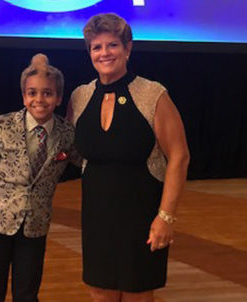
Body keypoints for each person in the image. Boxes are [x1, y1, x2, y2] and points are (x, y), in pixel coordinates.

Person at [67, 13, 190, 302]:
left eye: (112, 45)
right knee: (100, 291)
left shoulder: (152, 94)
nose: (104, 53)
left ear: (128, 49)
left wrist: (166, 217)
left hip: (142, 216)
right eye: (96, 47)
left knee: (137, 293)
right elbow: (69, 150)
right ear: (89, 53)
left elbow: (180, 157)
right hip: (97, 215)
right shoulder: (79, 97)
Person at [0, 53, 80, 302]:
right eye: (32, 93)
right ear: (24, 96)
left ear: (58, 98)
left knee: (27, 293)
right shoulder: (2, 126)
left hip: (35, 226)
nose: (39, 99)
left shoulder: (67, 133)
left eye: (47, 93)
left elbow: (87, 160)